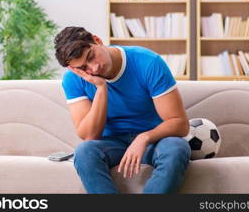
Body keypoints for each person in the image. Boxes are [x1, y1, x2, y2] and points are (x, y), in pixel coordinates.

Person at [54, 26, 191, 194]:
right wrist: (101, 88)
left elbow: (180, 124)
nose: (94, 69)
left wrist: (144, 137)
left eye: (91, 56)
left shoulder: (148, 62)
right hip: (112, 144)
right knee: (84, 152)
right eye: (83, 68)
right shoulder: (73, 80)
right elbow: (90, 136)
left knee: (177, 148)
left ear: (97, 40)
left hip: (154, 141)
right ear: (73, 69)